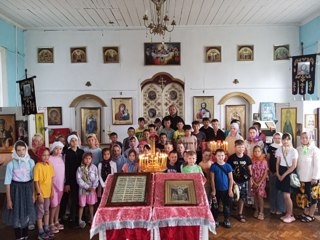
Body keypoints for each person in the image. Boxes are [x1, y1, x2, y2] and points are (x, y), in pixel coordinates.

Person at [2, 140, 36, 240]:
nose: (21, 152)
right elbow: (7, 183)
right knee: (17, 213)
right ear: (15, 151)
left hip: (28, 189)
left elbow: (33, 179)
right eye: (18, 150)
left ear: (26, 150)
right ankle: (19, 236)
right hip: (16, 190)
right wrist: (8, 199)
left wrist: (34, 194)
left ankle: (25, 235)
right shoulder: (11, 164)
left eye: (23, 150)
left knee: (26, 213)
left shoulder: (31, 162)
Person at [296, 132, 320, 223]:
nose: (304, 139)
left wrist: (315, 177)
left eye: (306, 137)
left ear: (310, 138)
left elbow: (317, 165)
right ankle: (305, 213)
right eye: (302, 137)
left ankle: (311, 215)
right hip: (301, 178)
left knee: (313, 197)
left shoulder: (315, 150)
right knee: (304, 197)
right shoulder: (298, 149)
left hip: (311, 179)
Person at [227, 139, 252, 223]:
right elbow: (228, 171)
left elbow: (250, 170)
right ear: (235, 147)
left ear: (244, 148)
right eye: (238, 147)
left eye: (242, 147)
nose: (240, 149)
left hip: (244, 181)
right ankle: (229, 213)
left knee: (242, 197)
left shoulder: (247, 158)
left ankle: (240, 213)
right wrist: (232, 181)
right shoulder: (231, 158)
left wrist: (250, 181)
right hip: (234, 181)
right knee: (232, 197)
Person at [62, 134, 84, 228]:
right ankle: (73, 219)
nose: (74, 142)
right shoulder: (67, 153)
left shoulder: (81, 152)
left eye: (75, 140)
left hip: (82, 179)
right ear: (69, 142)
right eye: (72, 141)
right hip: (72, 180)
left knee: (81, 199)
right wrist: (66, 183)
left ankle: (80, 218)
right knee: (73, 199)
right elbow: (66, 168)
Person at [275, 133, 298, 223]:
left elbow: (294, 166)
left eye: (287, 139)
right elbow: (277, 162)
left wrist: (283, 175)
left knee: (287, 195)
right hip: (280, 170)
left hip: (288, 173)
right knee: (284, 195)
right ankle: (287, 213)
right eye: (284, 139)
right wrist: (277, 173)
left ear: (290, 140)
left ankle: (291, 215)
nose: (285, 141)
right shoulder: (279, 149)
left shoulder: (294, 151)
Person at [34, 147, 55, 239]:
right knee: (40, 213)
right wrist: (39, 195)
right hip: (41, 194)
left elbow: (51, 179)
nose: (46, 157)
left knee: (47, 211)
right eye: (44, 155)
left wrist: (52, 190)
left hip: (48, 193)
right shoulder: (37, 166)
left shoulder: (49, 165)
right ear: (39, 155)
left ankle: (46, 228)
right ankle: (40, 231)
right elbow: (36, 182)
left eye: (47, 155)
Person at [210, 149, 233, 228]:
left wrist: (230, 190)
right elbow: (212, 179)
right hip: (217, 190)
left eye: (222, 155)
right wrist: (213, 190)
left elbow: (231, 179)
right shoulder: (213, 166)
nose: (220, 157)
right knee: (215, 206)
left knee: (226, 206)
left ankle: (226, 219)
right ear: (215, 156)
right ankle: (215, 219)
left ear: (225, 156)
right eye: (218, 155)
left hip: (226, 190)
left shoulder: (228, 166)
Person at [76, 152, 99, 228]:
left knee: (91, 204)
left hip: (92, 190)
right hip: (83, 190)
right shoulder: (80, 168)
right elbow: (79, 180)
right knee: (82, 205)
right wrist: (87, 187)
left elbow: (96, 178)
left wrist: (94, 187)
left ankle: (92, 218)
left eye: (89, 158)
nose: (88, 160)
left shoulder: (94, 168)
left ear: (91, 159)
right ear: (83, 159)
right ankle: (80, 220)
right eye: (86, 158)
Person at [266, 132, 285, 215]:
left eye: (279, 138)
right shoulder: (271, 147)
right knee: (272, 190)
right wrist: (269, 170)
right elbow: (268, 159)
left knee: (280, 191)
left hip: (281, 172)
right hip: (272, 171)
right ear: (273, 138)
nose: (277, 139)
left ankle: (280, 208)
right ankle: (273, 207)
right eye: (276, 138)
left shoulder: (284, 147)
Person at [48, 141, 65, 234]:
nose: (58, 150)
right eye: (56, 148)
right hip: (53, 185)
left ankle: (56, 221)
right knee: (53, 205)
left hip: (61, 185)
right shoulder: (50, 159)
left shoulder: (61, 158)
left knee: (58, 204)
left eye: (60, 148)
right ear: (53, 149)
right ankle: (50, 223)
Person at [251, 145, 268, 220]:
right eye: (255, 151)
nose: (257, 153)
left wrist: (260, 182)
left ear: (261, 152)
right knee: (255, 196)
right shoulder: (252, 161)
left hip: (261, 181)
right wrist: (253, 182)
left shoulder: (264, 161)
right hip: (254, 180)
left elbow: (265, 173)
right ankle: (256, 210)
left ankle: (261, 212)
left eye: (258, 151)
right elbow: (250, 172)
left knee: (260, 196)